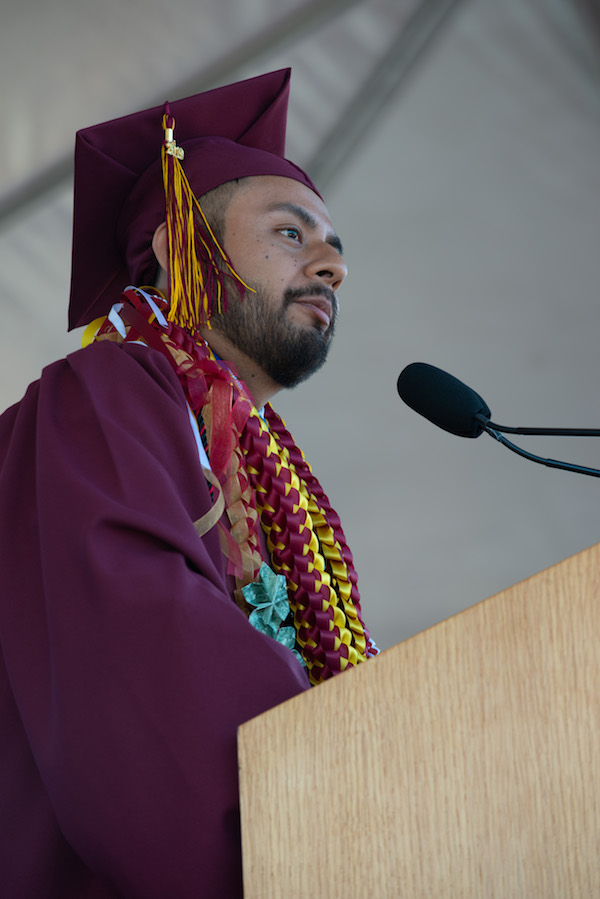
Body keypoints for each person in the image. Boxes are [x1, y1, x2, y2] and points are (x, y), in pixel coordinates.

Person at [0, 69, 377, 898]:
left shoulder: (263, 460)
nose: (331, 266)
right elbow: (141, 653)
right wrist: (356, 776)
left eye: (337, 250)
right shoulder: (97, 399)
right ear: (184, 246)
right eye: (291, 232)